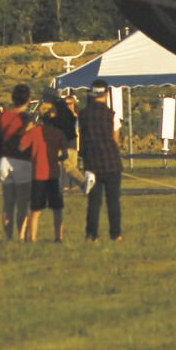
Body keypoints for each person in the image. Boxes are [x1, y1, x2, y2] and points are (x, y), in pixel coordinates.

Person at [78, 85, 123, 242]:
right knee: (113, 202)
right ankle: (116, 234)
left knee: (94, 202)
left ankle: (91, 234)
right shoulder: (112, 115)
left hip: (92, 164)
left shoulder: (83, 115)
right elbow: (116, 140)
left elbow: (81, 139)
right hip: (111, 163)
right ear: (105, 94)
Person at [21, 103, 68, 241]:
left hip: (37, 174)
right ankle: (58, 237)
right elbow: (65, 154)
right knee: (57, 209)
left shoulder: (34, 132)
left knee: (35, 210)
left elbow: (22, 146)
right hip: (53, 173)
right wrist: (57, 157)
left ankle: (33, 237)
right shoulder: (58, 133)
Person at [0, 83, 35, 241]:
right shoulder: (27, 117)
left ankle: (8, 236)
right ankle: (21, 235)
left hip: (5, 160)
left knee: (8, 203)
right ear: (28, 99)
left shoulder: (4, 115)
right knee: (22, 204)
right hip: (22, 161)